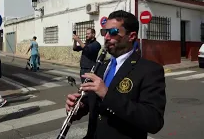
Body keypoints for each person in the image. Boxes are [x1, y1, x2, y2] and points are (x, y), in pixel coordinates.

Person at [65, 10, 166, 139]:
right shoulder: (100, 66)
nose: (106, 37)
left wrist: (107, 95)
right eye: (104, 32)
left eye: (113, 32)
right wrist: (78, 107)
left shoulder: (150, 70)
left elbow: (154, 121)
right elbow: (91, 103)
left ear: (131, 36)